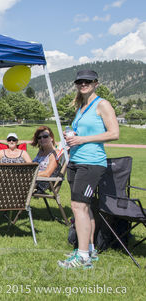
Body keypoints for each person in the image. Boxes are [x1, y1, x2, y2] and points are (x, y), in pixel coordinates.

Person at [57, 70, 119, 269]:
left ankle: (82, 257)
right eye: (79, 82)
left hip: (91, 163)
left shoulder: (103, 104)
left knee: (78, 207)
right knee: (86, 208)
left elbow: (114, 133)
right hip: (75, 161)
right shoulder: (81, 106)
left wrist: (82, 139)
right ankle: (88, 249)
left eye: (87, 81)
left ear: (96, 83)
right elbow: (80, 134)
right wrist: (70, 139)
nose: (83, 84)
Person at [30, 126, 59, 194]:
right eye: (39, 137)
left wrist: (29, 175)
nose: (42, 139)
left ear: (51, 138)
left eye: (45, 136)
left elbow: (47, 173)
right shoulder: (41, 152)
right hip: (33, 179)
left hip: (41, 181)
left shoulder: (55, 153)